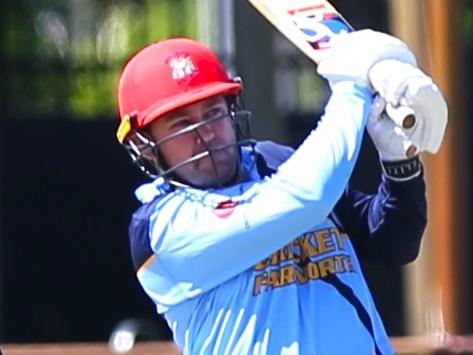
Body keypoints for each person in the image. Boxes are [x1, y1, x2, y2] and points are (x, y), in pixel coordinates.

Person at [115, 30, 447, 354]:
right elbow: (308, 197)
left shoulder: (273, 162)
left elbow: (391, 244)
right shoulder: (162, 229)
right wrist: (351, 89)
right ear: (145, 147)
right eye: (181, 125)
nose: (205, 135)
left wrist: (398, 163)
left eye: (213, 113)